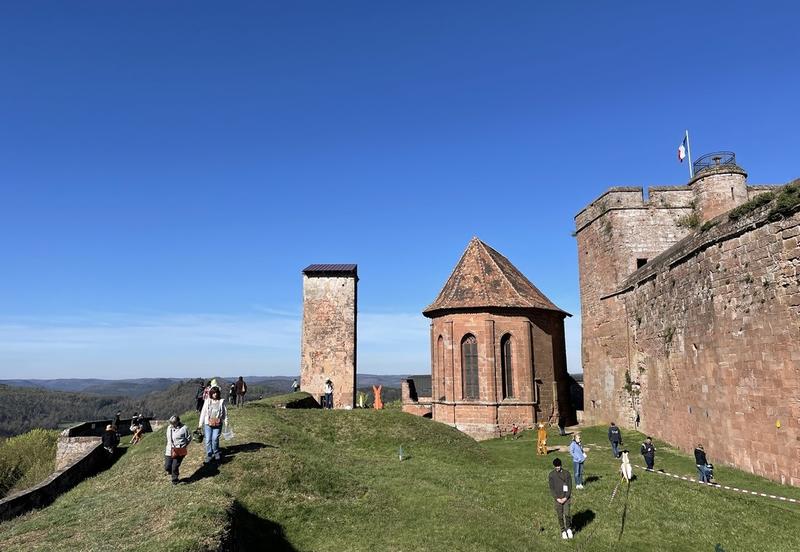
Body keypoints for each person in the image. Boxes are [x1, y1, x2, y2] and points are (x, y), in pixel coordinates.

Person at [199, 386, 227, 462]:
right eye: (213, 393)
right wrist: (200, 424)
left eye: (216, 393)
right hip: (208, 424)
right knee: (208, 440)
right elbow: (203, 412)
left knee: (215, 439)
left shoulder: (221, 401)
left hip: (218, 423)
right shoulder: (207, 401)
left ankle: (216, 452)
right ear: (211, 393)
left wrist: (226, 422)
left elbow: (225, 412)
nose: (215, 394)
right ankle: (209, 454)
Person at [548, 458, 573, 540]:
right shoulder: (551, 475)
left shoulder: (567, 474)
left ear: (561, 465)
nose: (557, 467)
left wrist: (566, 497)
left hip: (566, 498)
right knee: (560, 515)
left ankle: (568, 528)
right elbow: (552, 488)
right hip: (558, 499)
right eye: (556, 466)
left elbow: (570, 487)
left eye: (559, 466)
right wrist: (557, 498)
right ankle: (563, 530)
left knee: (567, 513)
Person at [164, 415, 191, 485]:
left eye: (174, 423)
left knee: (175, 466)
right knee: (167, 466)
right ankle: (171, 472)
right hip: (169, 449)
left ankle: (175, 480)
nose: (172, 424)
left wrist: (183, 446)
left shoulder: (184, 428)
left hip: (179, 450)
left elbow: (188, 438)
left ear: (178, 422)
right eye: (171, 423)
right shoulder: (169, 428)